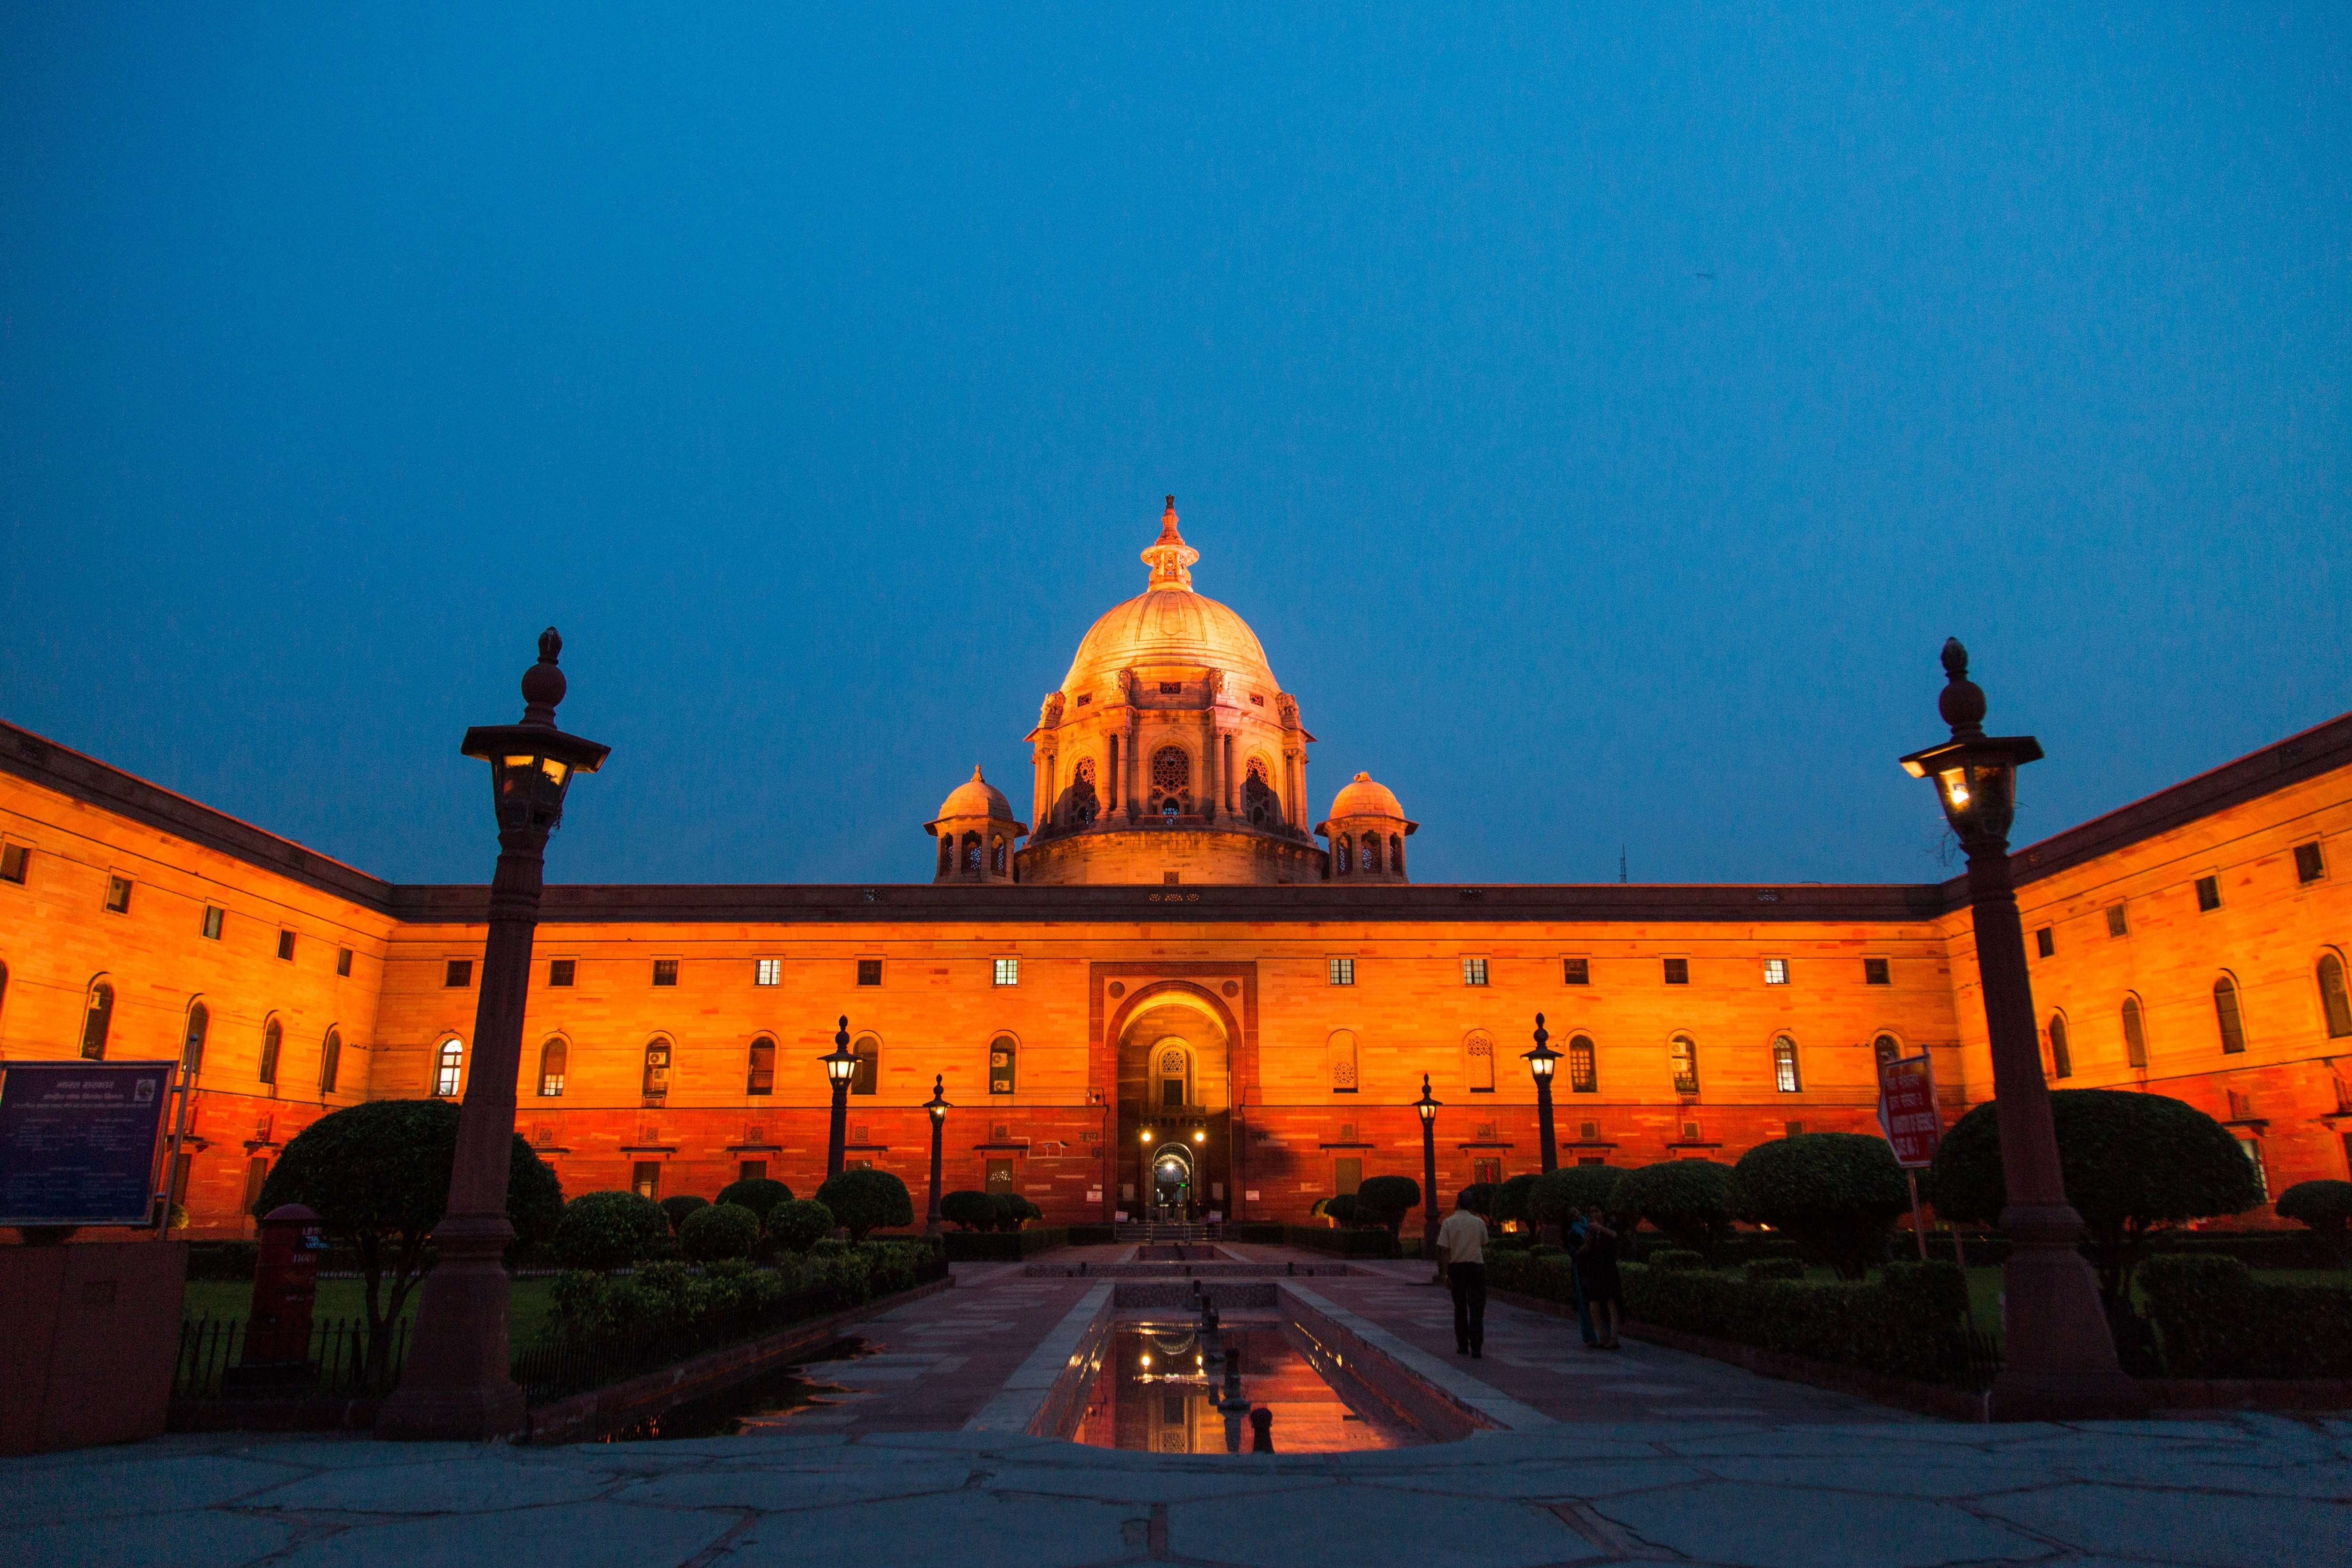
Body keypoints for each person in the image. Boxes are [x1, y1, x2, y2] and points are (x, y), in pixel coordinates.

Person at [1436, 1188, 1490, 1357]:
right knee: (1477, 1308)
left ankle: (1462, 1346)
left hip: (1456, 1268)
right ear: (1471, 1205)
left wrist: (1445, 1274)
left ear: (1458, 1203)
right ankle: (1476, 1347)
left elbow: (1444, 1250)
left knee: (1460, 1308)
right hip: (1476, 1267)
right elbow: (1484, 1243)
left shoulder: (1449, 1223)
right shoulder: (1479, 1223)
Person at [1578, 1205, 1624, 1349]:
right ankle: (1603, 1336)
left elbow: (1616, 1235)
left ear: (1602, 1212)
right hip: (1595, 1270)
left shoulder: (1609, 1226)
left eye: (1597, 1211)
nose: (1594, 1214)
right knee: (1594, 1305)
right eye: (1592, 1212)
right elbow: (1588, 1249)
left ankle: (1614, 1339)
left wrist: (1601, 1228)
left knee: (1611, 1303)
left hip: (1608, 1269)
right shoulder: (1592, 1229)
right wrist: (1587, 1242)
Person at [1565, 1207, 1599, 1347]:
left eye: (1577, 1212)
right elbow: (1574, 1253)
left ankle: (1602, 1333)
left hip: (1595, 1267)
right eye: (1573, 1214)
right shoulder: (1573, 1233)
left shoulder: (1591, 1226)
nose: (1576, 1215)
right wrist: (1587, 1245)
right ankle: (1590, 1335)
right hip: (1582, 1269)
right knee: (1586, 1303)